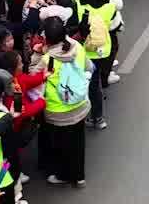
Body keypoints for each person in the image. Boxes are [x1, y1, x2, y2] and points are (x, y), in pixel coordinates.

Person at [39, 18, 91, 187]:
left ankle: (63, 175)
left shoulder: (47, 59)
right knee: (78, 142)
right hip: (80, 103)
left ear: (47, 39)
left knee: (61, 145)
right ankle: (79, 176)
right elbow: (88, 68)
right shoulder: (77, 47)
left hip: (58, 110)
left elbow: (36, 80)